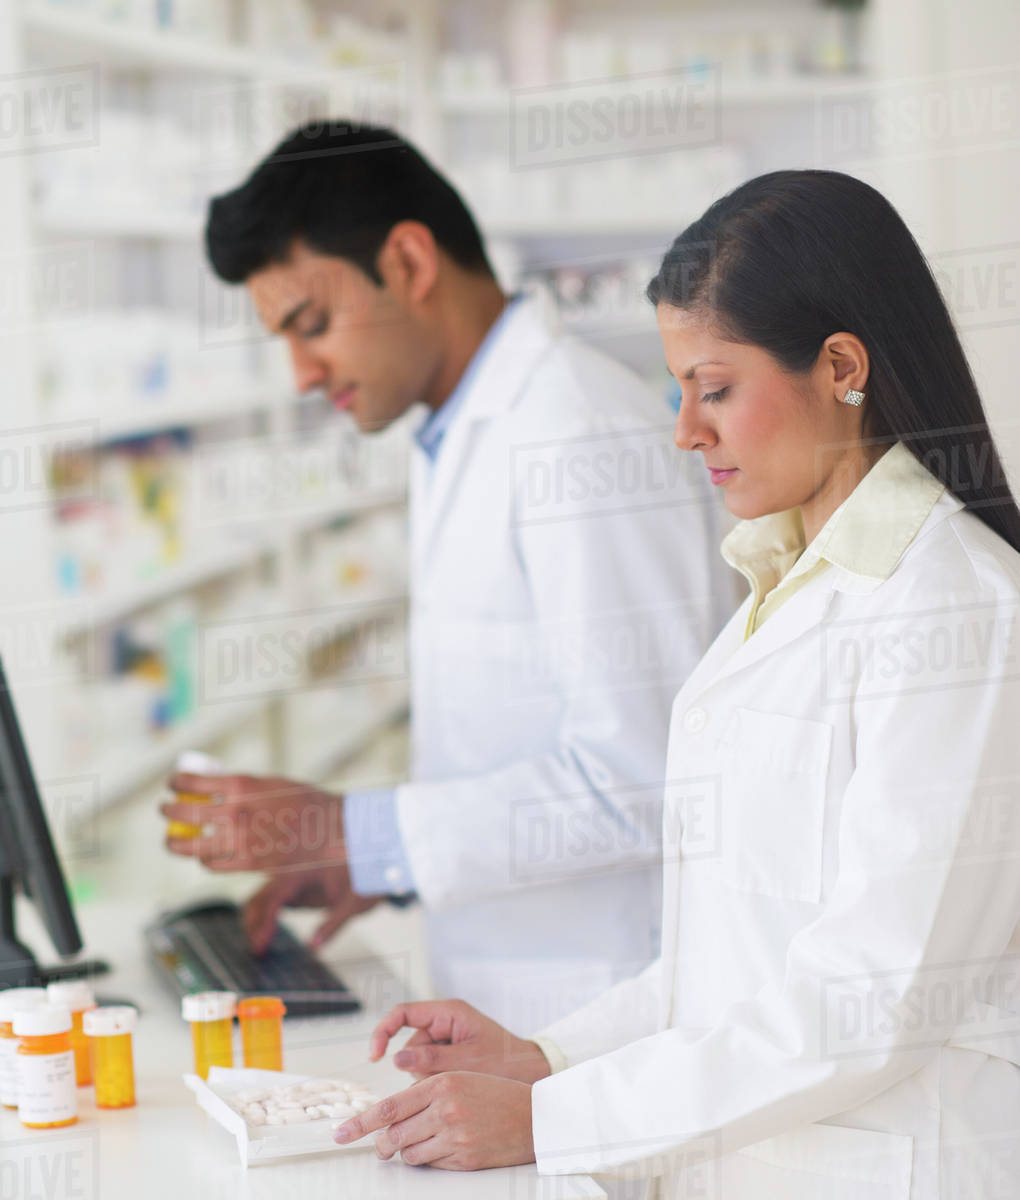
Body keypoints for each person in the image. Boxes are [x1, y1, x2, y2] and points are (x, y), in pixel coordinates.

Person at [333, 169, 1020, 1198]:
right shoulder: (780, 584)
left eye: (716, 388)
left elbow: (870, 1000)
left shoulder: (955, 611)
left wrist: (553, 1121)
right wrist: (547, 1058)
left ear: (841, 368)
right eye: (679, 390)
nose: (685, 430)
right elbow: (727, 956)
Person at [161, 121, 735, 1031]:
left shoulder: (579, 435)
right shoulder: (453, 429)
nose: (302, 374)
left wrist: (352, 831)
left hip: (606, 1022)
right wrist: (376, 868)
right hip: (509, 1012)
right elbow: (507, 739)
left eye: (312, 325)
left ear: (409, 262)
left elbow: (647, 782)